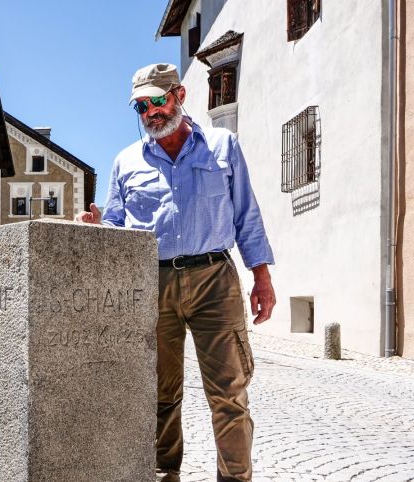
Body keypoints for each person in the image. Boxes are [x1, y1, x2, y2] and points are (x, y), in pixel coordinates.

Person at [76, 63, 275, 482]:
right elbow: (115, 228)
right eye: (141, 107)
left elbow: (247, 216)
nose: (151, 112)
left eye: (158, 101)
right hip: (153, 285)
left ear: (179, 96)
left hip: (214, 281)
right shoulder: (126, 162)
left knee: (229, 394)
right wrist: (98, 229)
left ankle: (235, 478)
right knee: (160, 394)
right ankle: (165, 473)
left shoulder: (222, 146)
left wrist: (262, 277)